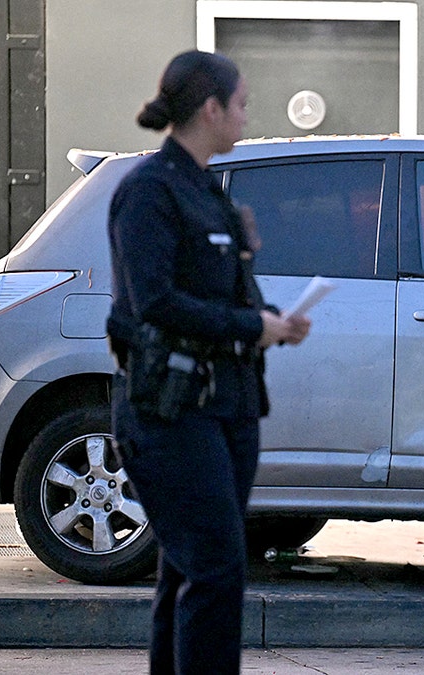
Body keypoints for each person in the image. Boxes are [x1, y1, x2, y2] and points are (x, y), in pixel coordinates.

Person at [106, 50, 310, 674]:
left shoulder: (209, 191)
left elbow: (224, 296)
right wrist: (252, 325)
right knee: (216, 568)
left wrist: (271, 317)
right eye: (242, 105)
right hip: (170, 413)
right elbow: (156, 302)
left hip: (228, 405)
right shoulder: (149, 192)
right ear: (210, 108)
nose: (248, 118)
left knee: (189, 570)